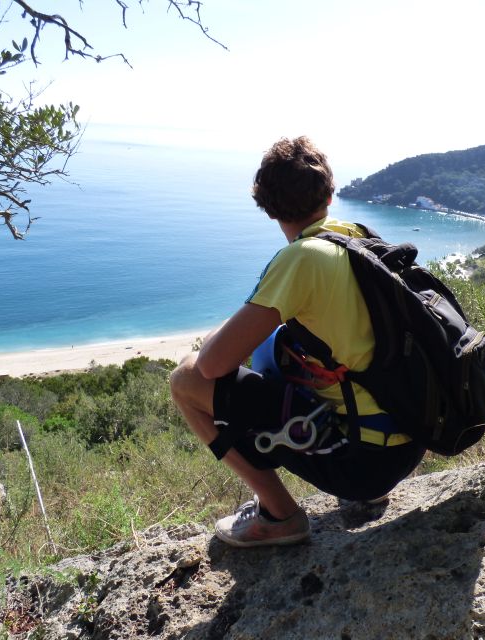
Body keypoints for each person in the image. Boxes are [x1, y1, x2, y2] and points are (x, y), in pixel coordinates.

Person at [170, 136, 426, 548]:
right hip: (409, 442)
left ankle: (280, 514)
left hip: (363, 466)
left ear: (267, 206)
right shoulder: (357, 235)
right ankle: (362, 482)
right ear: (329, 192)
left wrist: (243, 312)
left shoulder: (301, 259)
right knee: (277, 343)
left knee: (184, 380)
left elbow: (211, 367)